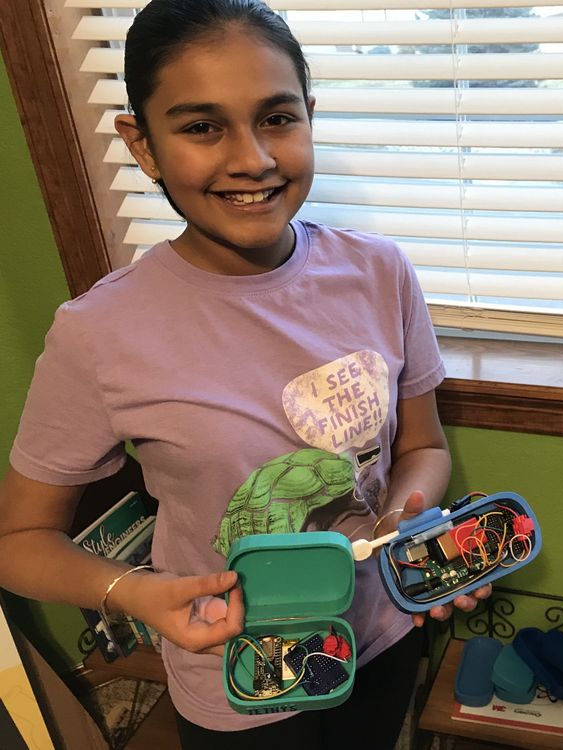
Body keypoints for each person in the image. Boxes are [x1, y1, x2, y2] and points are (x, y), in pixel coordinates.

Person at [0, 1, 491, 747]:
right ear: (143, 145)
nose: (253, 159)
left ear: (309, 117)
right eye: (202, 127)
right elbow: (19, 538)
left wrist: (402, 523)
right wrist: (137, 593)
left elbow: (422, 446)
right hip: (241, 680)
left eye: (277, 118)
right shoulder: (97, 333)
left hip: (384, 637)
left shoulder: (380, 273)